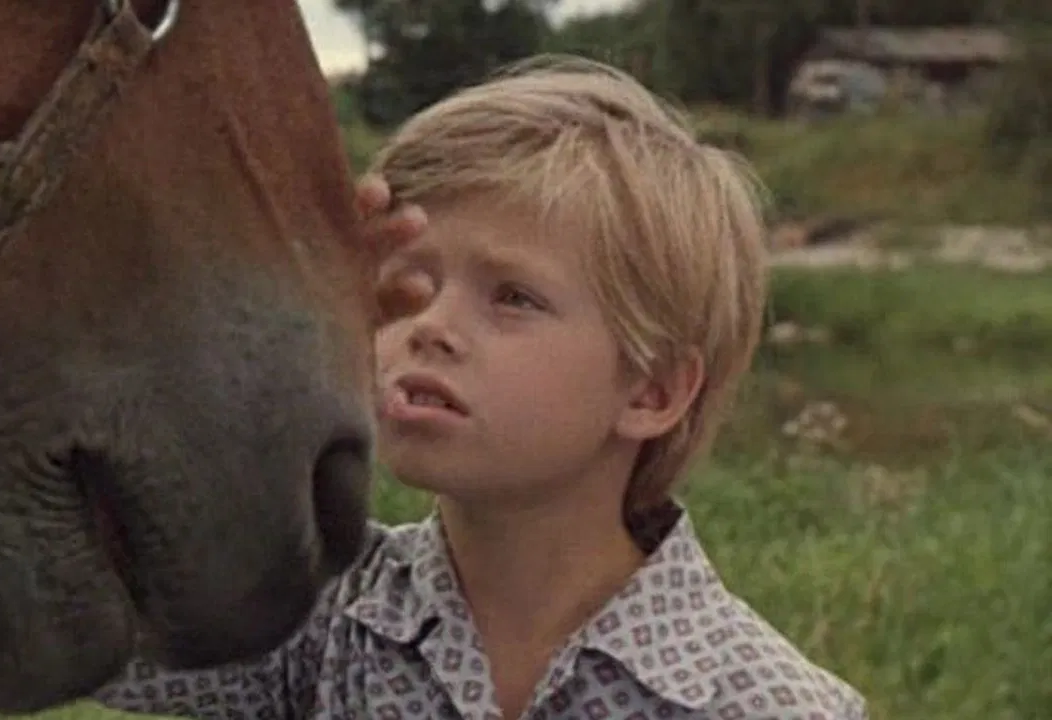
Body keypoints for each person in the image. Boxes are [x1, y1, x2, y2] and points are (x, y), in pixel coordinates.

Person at [91, 55, 867, 719]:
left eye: (513, 298)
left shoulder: (769, 705)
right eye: (409, 282)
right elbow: (70, 596)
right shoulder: (314, 623)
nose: (429, 325)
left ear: (652, 392)